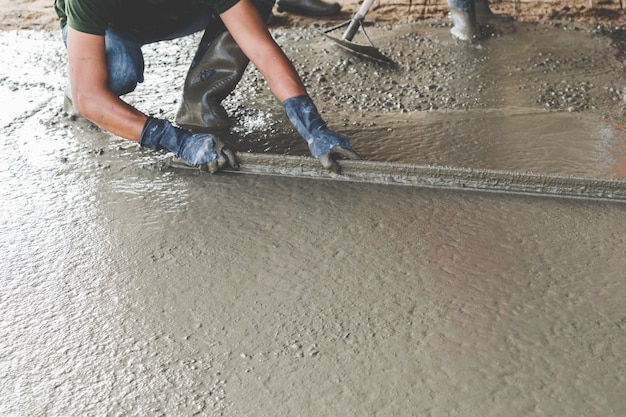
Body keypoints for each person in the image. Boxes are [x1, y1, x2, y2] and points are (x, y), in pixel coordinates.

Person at [54, 0, 359, 173]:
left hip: (173, 13)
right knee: (118, 71)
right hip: (108, 29)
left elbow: (261, 47)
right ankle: (79, 74)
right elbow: (90, 98)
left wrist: (313, 126)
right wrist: (177, 141)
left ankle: (201, 104)